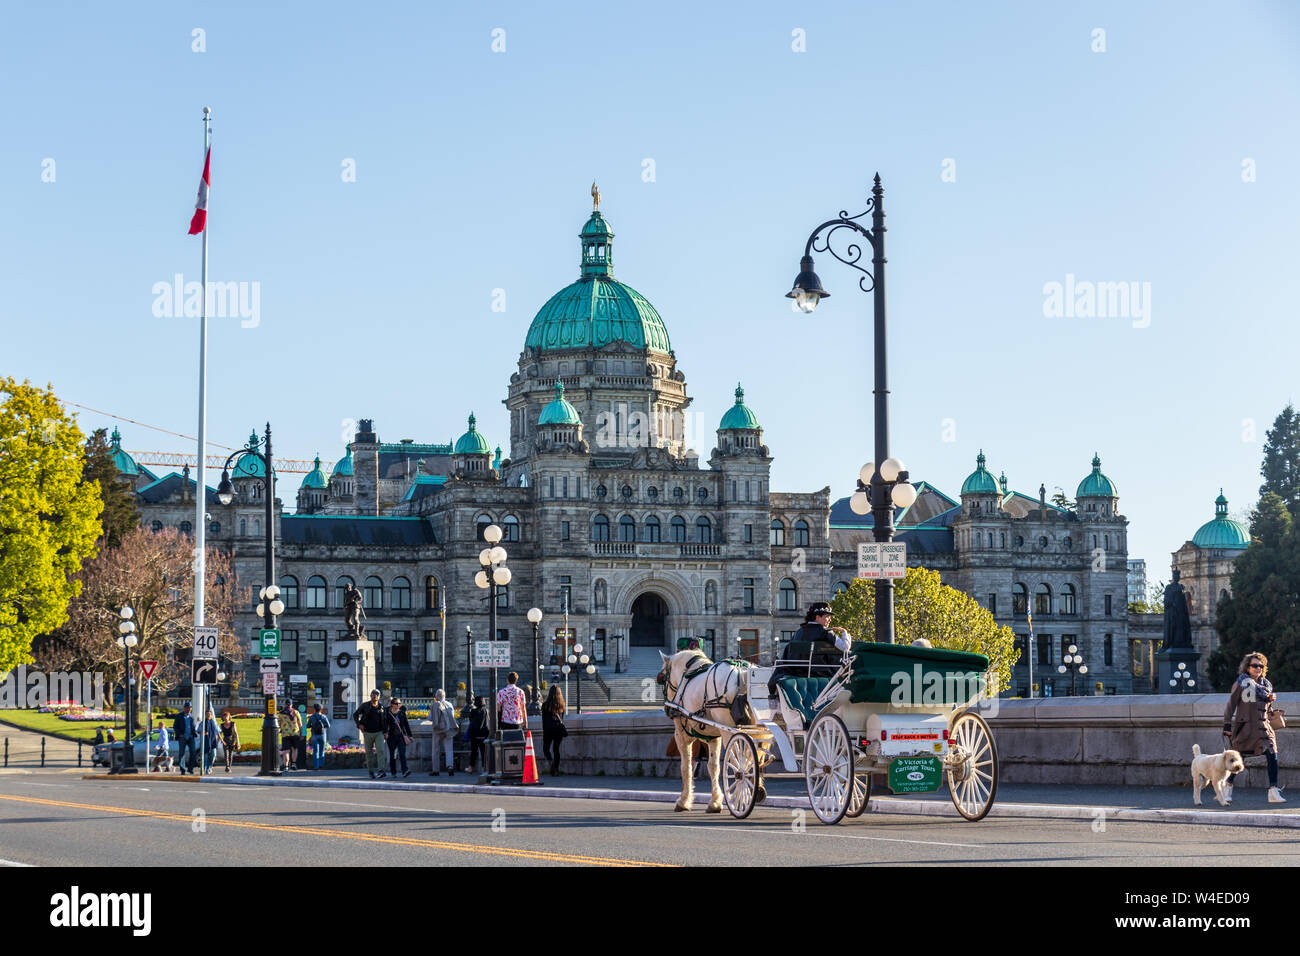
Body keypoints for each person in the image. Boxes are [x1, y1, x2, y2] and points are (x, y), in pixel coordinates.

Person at [1223, 651, 1285, 803]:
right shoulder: (1241, 684)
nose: (1258, 668)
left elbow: (1266, 708)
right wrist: (1227, 725)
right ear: (1247, 668)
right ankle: (1227, 786)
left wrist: (1270, 700)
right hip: (1246, 729)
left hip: (1264, 729)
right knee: (1239, 760)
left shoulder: (1266, 685)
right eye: (1254, 665)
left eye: (1260, 666)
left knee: (1273, 756)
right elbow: (1231, 705)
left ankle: (1273, 791)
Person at [768, 603, 853, 697]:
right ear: (817, 617)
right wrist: (845, 633)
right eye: (827, 616)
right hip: (818, 672)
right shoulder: (825, 632)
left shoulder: (798, 632)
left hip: (795, 671)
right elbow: (845, 647)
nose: (830, 619)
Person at [353, 689, 391, 779]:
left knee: (381, 751)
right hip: (367, 732)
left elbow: (385, 721)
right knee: (369, 753)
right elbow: (355, 714)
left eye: (377, 694)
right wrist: (359, 724)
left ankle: (381, 770)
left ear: (379, 697)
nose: (375, 696)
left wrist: (386, 732)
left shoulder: (381, 708)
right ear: (370, 696)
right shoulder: (365, 706)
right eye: (373, 694)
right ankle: (371, 771)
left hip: (379, 733)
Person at [429, 689, 457, 777]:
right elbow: (452, 717)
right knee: (449, 749)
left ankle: (436, 770)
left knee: (435, 749)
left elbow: (430, 718)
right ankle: (450, 767)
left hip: (437, 730)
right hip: (448, 729)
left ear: (437, 697)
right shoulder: (450, 704)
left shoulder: (435, 704)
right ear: (444, 696)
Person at [541, 685, 567, 776]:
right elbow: (562, 719)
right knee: (556, 750)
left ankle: (550, 762)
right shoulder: (562, 704)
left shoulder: (545, 705)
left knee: (546, 748)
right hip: (558, 729)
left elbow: (544, 720)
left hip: (548, 729)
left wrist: (544, 731)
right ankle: (556, 769)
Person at [386, 696, 413, 777]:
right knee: (392, 756)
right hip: (391, 737)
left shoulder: (402, 713)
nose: (398, 705)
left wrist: (410, 735)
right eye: (396, 703)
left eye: (399, 703)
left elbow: (406, 725)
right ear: (392, 704)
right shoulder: (388, 714)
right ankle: (393, 772)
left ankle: (405, 771)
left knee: (402, 754)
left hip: (401, 737)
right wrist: (385, 732)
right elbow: (384, 724)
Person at [173, 702, 199, 775]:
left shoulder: (192, 717)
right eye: (187, 707)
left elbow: (193, 727)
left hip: (191, 737)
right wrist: (179, 734)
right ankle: (182, 769)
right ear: (184, 708)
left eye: (190, 708)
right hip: (182, 737)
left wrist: (194, 733)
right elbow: (175, 726)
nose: (189, 709)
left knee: (193, 752)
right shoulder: (179, 716)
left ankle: (190, 769)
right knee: (182, 753)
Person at [466, 696, 490, 774]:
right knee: (484, 752)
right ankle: (484, 768)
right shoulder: (486, 711)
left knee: (474, 752)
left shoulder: (472, 711)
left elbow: (471, 721)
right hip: (484, 734)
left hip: (475, 735)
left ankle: (470, 768)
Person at [279, 701, 302, 772]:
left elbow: (279, 725)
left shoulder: (281, 713)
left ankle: (286, 766)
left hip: (285, 734)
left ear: (285, 704)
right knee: (294, 749)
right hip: (295, 733)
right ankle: (294, 764)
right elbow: (300, 724)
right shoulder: (296, 712)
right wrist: (302, 734)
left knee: (286, 751)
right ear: (292, 705)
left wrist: (279, 731)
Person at [306, 703, 330, 771]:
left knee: (316, 751)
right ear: (321, 709)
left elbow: (307, 726)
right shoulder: (324, 717)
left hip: (314, 735)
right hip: (322, 735)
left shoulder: (312, 717)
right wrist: (322, 726)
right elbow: (328, 726)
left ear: (314, 709)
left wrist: (313, 726)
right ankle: (321, 765)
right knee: (322, 751)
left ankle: (316, 767)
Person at [201, 708, 220, 775]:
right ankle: (205, 769)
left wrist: (220, 740)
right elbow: (198, 730)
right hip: (205, 742)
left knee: (213, 755)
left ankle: (210, 767)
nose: (208, 715)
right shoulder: (203, 722)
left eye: (209, 714)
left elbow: (218, 732)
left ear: (211, 715)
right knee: (205, 757)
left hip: (213, 742)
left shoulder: (214, 723)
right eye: (207, 714)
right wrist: (203, 733)